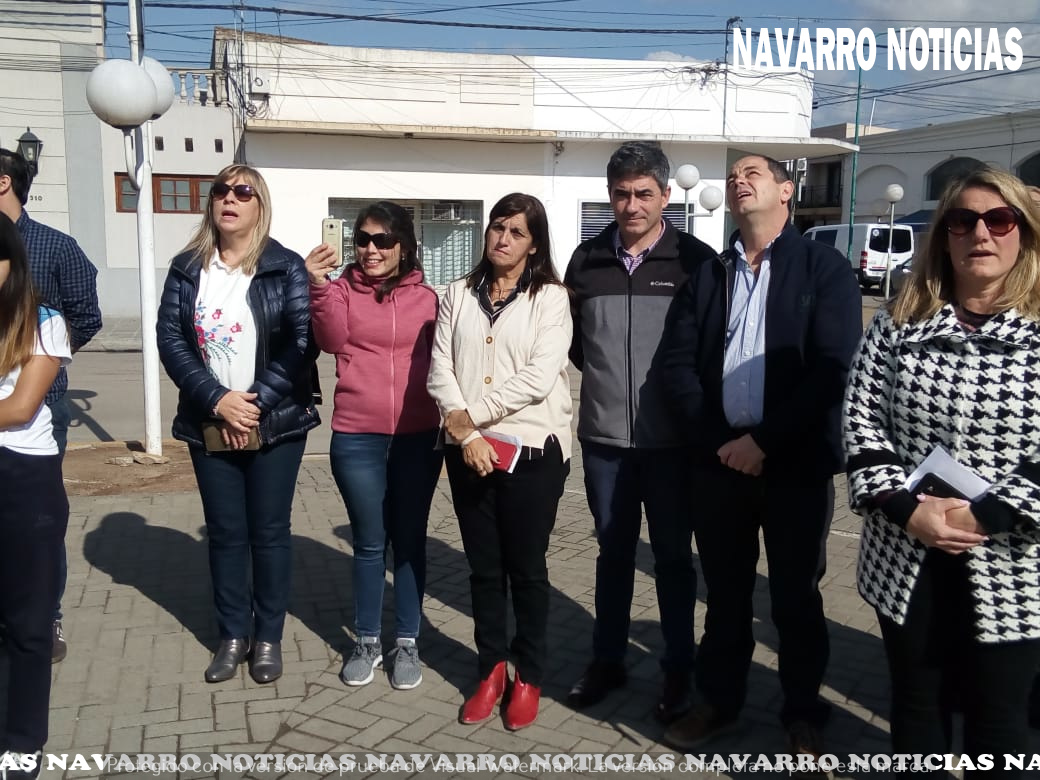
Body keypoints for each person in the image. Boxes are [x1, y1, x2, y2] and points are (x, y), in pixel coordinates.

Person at [660, 154, 861, 760]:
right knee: (725, 595)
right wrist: (718, 441)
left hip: (794, 466)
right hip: (720, 463)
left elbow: (832, 369)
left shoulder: (824, 268)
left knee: (796, 598)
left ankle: (802, 713)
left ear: (786, 189)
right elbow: (677, 365)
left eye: (753, 173)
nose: (738, 180)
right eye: (733, 175)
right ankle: (719, 702)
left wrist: (765, 442)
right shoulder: (710, 274)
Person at [843, 166, 1040, 772]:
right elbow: (860, 420)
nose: (980, 233)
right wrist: (908, 510)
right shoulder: (896, 324)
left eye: (999, 220)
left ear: (1024, 233)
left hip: (1014, 560)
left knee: (1000, 719)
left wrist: (989, 514)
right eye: (963, 220)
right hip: (907, 551)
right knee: (917, 706)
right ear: (944, 235)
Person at [563, 141, 716, 722]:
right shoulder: (586, 261)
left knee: (674, 560)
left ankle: (678, 669)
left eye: (644, 194)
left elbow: (709, 349)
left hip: (674, 445)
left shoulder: (696, 261)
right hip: (604, 441)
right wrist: (610, 385)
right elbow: (578, 345)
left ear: (666, 195)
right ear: (610, 195)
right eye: (622, 194)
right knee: (613, 554)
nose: (632, 205)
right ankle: (608, 661)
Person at [156, 164, 319, 685]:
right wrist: (217, 400)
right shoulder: (187, 268)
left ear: (259, 206)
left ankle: (267, 636)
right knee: (226, 534)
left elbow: (301, 343)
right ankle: (232, 635)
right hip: (209, 419)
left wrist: (252, 405)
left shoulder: (284, 266)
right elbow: (171, 341)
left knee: (268, 533)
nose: (230, 198)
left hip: (275, 423)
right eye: (221, 190)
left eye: (243, 191)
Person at [427, 193, 572, 731]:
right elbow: (440, 366)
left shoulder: (551, 298)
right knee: (484, 570)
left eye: (516, 232)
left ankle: (528, 675)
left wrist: (470, 418)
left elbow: (539, 376)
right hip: (468, 452)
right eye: (497, 227)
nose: (503, 239)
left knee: (527, 570)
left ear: (534, 243)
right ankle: (490, 670)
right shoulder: (457, 293)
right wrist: (465, 432)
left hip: (531, 451)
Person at [306, 202, 443, 691]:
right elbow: (330, 339)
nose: (371, 249)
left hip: (418, 436)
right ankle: (366, 641)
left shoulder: (428, 299)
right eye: (363, 239)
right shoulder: (340, 290)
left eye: (382, 240)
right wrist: (318, 286)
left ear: (403, 245)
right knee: (368, 542)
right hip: (357, 436)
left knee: (408, 540)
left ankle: (406, 641)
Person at [0, 148, 102, 664]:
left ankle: (47, 616)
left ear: (3, 182)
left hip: (39, 413)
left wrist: (45, 362)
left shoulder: (55, 246)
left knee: (37, 525)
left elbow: (86, 315)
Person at [0, 212, 72, 779]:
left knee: (28, 623)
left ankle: (23, 741)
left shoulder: (43, 322)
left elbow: (21, 407)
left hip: (23, 479)